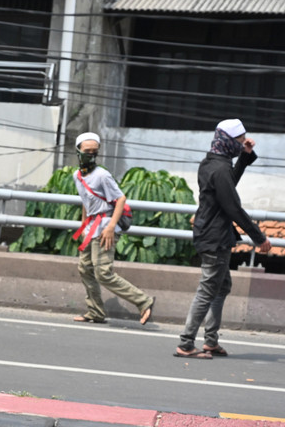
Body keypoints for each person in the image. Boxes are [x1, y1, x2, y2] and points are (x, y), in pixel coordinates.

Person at [175, 119, 271, 359]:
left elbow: (228, 186)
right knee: (208, 290)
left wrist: (245, 156)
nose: (243, 143)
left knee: (222, 286)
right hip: (215, 236)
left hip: (212, 232)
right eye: (240, 141)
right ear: (228, 141)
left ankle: (210, 341)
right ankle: (186, 343)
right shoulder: (219, 168)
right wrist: (259, 238)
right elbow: (233, 207)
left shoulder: (213, 163)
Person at [71, 132, 155, 325]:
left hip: (105, 228)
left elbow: (120, 199)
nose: (90, 155)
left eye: (94, 151)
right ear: (78, 151)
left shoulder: (102, 175)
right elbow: (85, 201)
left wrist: (110, 227)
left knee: (103, 273)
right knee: (85, 269)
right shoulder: (78, 176)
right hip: (91, 228)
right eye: (87, 151)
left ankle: (143, 301)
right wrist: (83, 225)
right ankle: (95, 312)